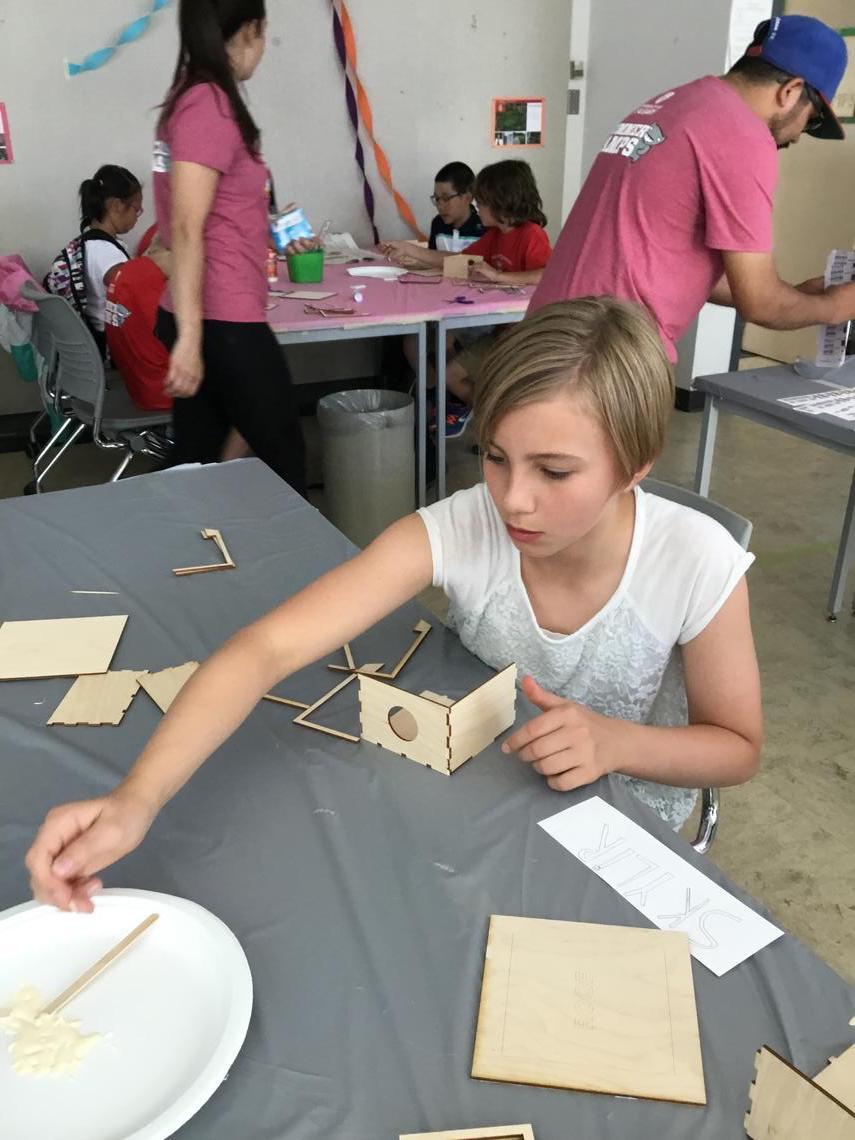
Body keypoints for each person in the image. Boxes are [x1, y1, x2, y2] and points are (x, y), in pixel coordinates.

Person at [25, 297, 762, 912]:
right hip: (478, 789)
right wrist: (137, 799)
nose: (513, 498)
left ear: (634, 466)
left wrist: (613, 743)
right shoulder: (469, 525)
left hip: (623, 830)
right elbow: (266, 649)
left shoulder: (695, 561)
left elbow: (737, 747)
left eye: (555, 471)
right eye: (496, 457)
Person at [529, 15, 855, 362]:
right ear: (790, 92)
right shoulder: (744, 135)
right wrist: (836, 307)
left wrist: (792, 295)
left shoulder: (674, 104)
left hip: (546, 335)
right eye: (812, 120)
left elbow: (671, 263)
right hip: (601, 354)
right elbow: (760, 302)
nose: (799, 136)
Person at [153, 0, 306, 492]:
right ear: (250, 29)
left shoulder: (193, 97)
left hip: (212, 314)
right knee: (284, 460)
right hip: (222, 320)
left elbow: (217, 213)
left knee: (198, 462)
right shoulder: (208, 104)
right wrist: (191, 340)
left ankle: (194, 536)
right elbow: (185, 226)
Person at [384, 160, 552, 436]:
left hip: (524, 336)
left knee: (453, 369)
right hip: (500, 331)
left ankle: (503, 425)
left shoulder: (531, 235)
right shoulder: (495, 235)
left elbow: (546, 274)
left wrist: (499, 277)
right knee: (449, 373)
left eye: (481, 202)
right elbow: (458, 260)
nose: (477, 206)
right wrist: (410, 251)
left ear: (501, 202)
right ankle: (497, 423)